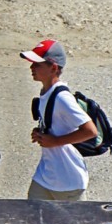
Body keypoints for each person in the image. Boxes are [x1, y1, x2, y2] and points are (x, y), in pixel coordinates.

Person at [20, 39, 97, 201]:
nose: (31, 67)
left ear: (53, 68)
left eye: (37, 64)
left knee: (72, 221)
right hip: (45, 176)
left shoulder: (62, 98)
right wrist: (40, 133)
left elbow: (90, 131)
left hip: (68, 181)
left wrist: (55, 141)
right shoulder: (46, 92)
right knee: (31, 215)